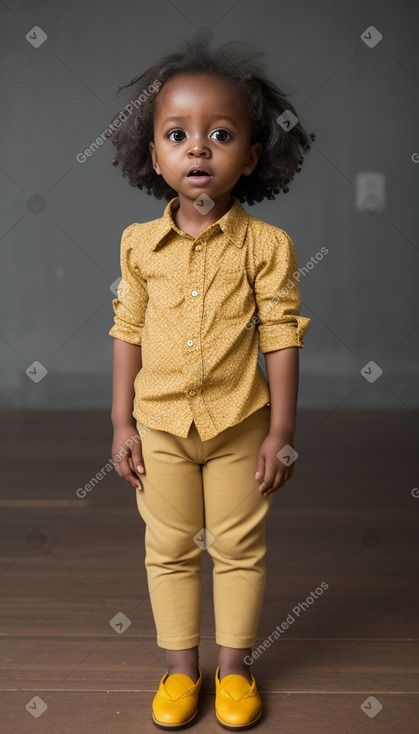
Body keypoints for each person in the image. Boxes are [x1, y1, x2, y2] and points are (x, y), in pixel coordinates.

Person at [108, 36, 314, 730]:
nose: (198, 149)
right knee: (165, 549)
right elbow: (127, 330)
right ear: (154, 154)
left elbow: (280, 336)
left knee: (237, 548)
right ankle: (178, 671)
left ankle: (233, 670)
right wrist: (120, 423)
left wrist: (280, 431)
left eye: (220, 135)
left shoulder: (268, 247)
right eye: (178, 135)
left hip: (238, 425)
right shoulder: (138, 244)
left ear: (250, 157)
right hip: (160, 426)